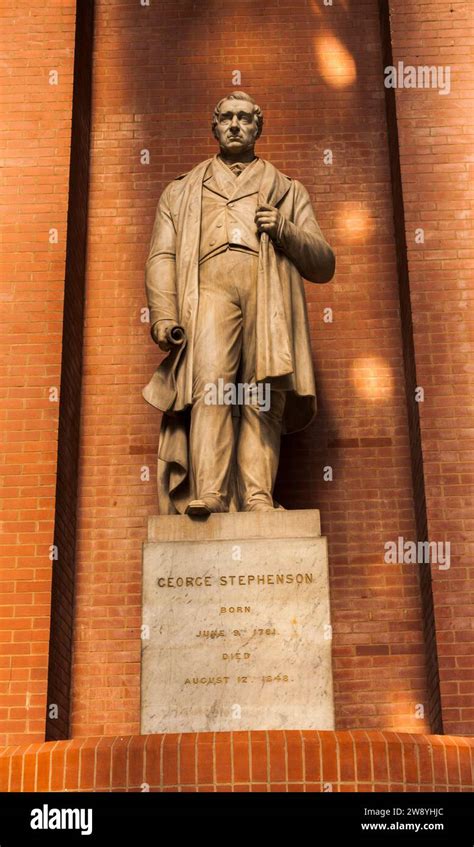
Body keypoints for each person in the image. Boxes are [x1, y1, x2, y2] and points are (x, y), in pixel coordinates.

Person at [143, 91, 335, 516]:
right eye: (226, 117)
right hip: (209, 290)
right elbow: (163, 256)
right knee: (210, 384)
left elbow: (323, 264)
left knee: (262, 391)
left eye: (244, 118)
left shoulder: (287, 189)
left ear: (257, 127)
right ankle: (210, 491)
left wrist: (284, 229)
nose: (234, 125)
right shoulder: (182, 190)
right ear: (214, 126)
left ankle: (257, 496)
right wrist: (164, 315)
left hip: (267, 294)